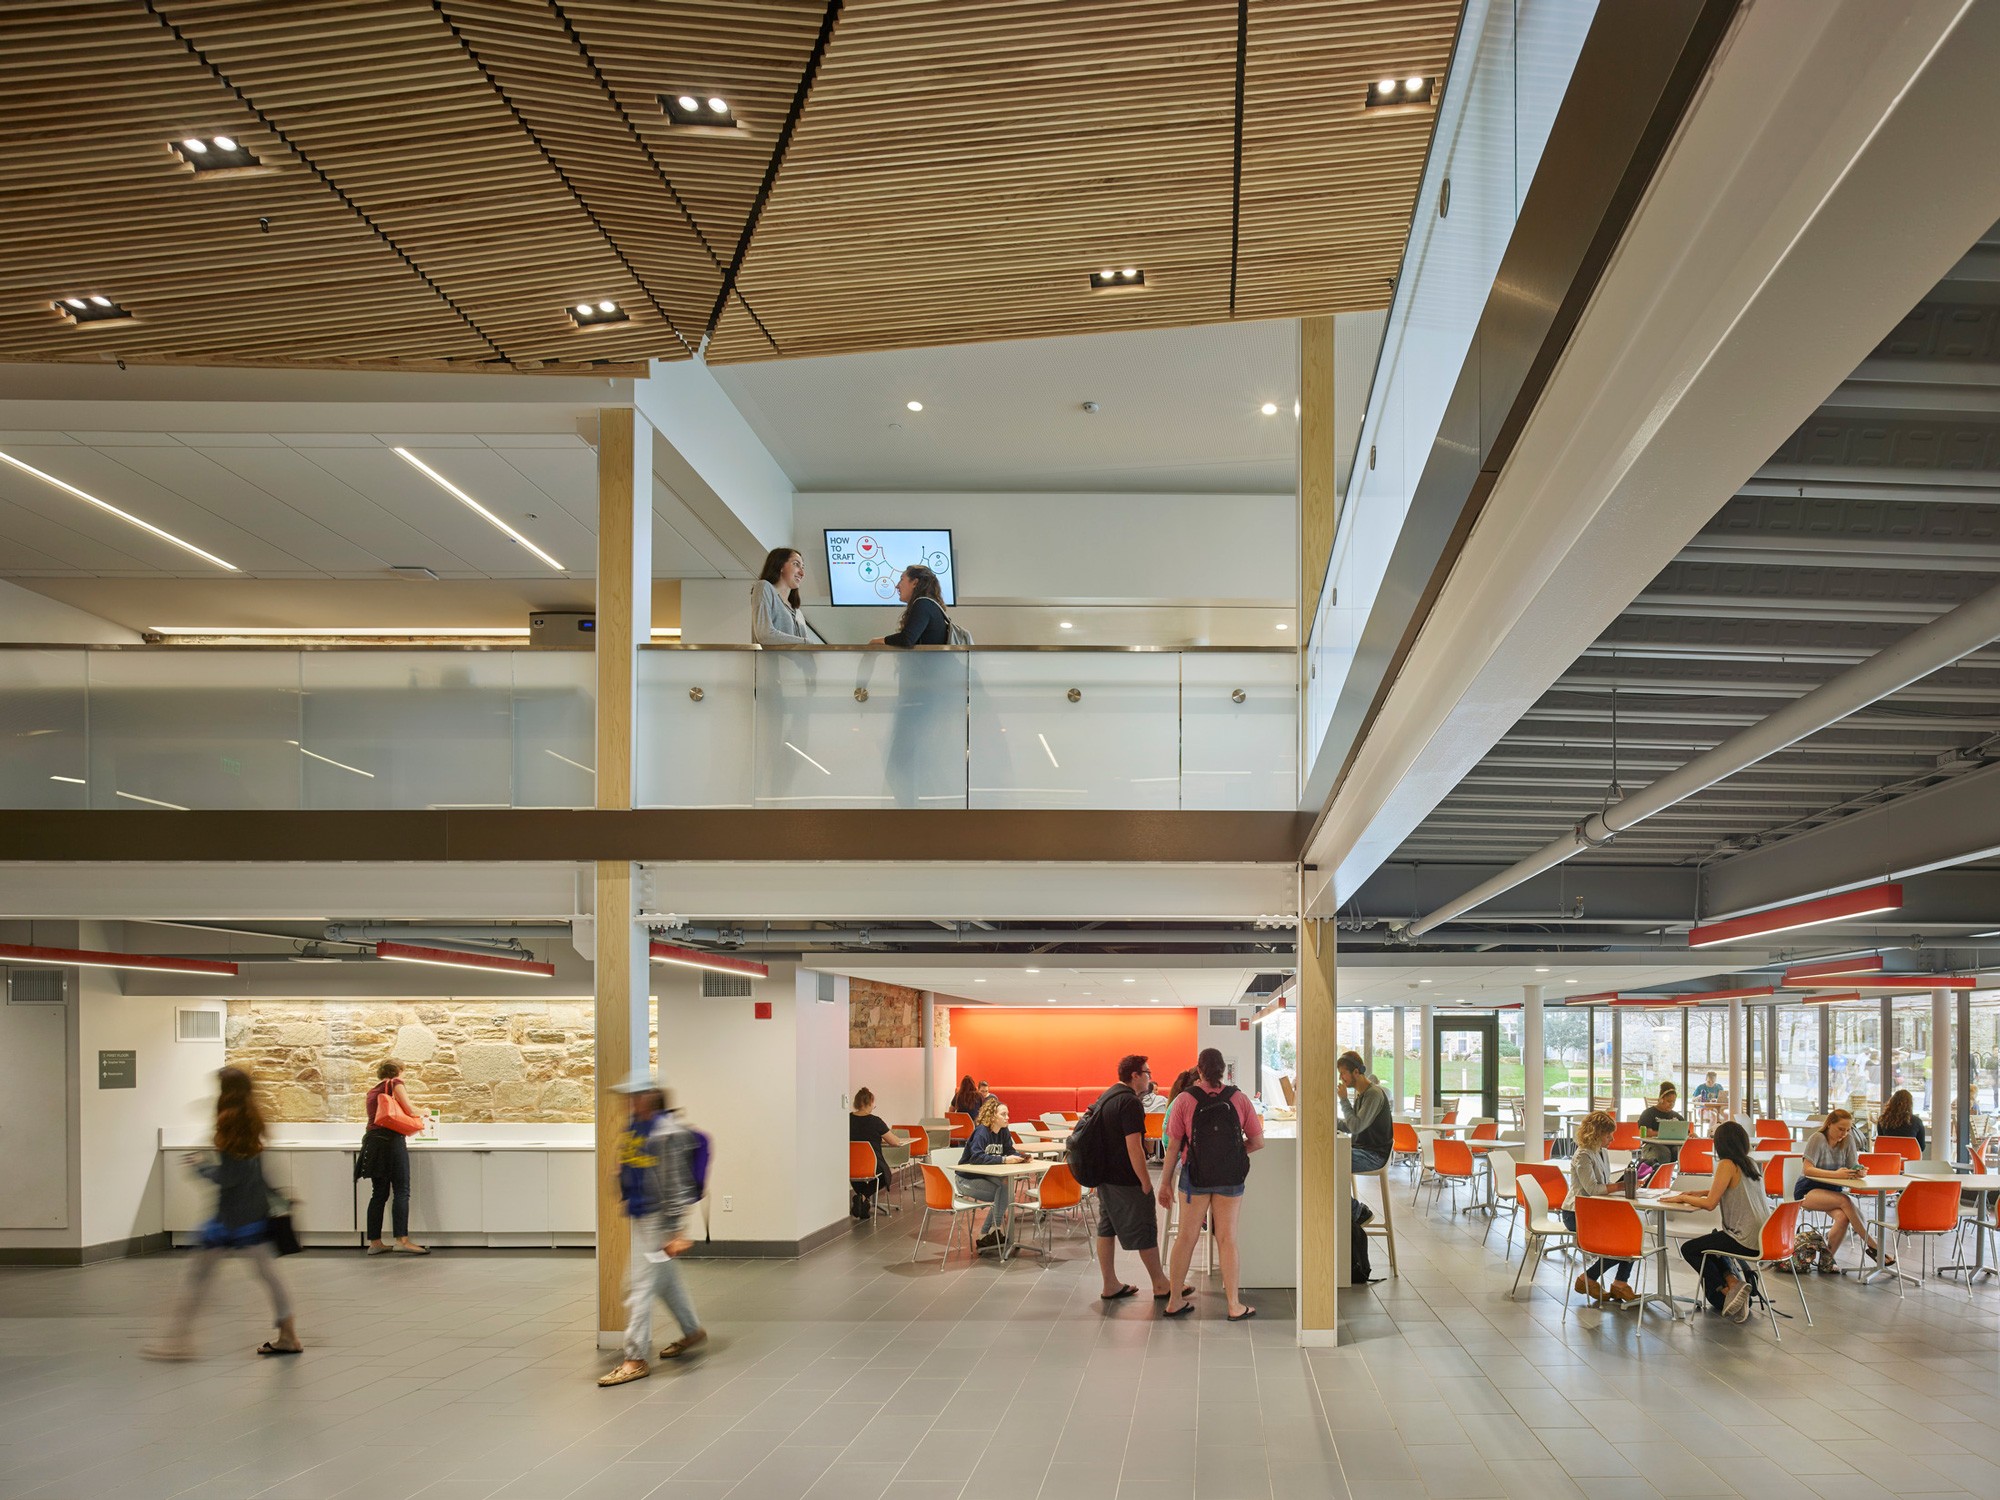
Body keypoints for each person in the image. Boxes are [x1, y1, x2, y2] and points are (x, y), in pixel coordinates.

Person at [145, 1067, 303, 1360]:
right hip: (253, 1213)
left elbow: (230, 1175)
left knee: (197, 1277)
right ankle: (288, 1334)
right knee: (269, 1276)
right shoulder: (253, 1118)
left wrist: (199, 1165)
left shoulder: (230, 1122)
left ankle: (177, 1341)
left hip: (230, 1218)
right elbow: (256, 1169)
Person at [598, 1082, 707, 1385]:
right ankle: (692, 1330)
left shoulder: (667, 1134)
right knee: (666, 1281)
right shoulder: (636, 1126)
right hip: (641, 1216)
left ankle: (635, 1359)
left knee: (640, 1287)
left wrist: (674, 1230)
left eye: (633, 1096)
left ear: (648, 1099)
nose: (628, 1101)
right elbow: (632, 1162)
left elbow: (677, 1184)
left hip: (658, 1221)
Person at [1159, 1047, 1264, 1320]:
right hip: (1230, 1179)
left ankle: (1174, 1302)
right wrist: (1232, 1154)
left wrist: (1164, 1183)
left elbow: (1172, 1148)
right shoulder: (1239, 1099)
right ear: (1224, 1071)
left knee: (1186, 1238)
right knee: (1227, 1238)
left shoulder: (1183, 1100)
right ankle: (1234, 1305)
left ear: (1200, 1069)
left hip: (1194, 1177)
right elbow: (1257, 1142)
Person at [1088, 1054, 1175, 1303]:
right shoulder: (1130, 1103)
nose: (1150, 1077)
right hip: (1125, 1179)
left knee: (1107, 1227)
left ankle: (1110, 1284)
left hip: (1105, 1177)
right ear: (1135, 1075)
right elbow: (1133, 1146)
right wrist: (1145, 1181)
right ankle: (1160, 1284)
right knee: (1144, 1225)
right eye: (1147, 1072)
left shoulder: (1108, 1096)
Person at [1664, 1121, 1770, 1323]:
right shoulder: (1749, 1163)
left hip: (1743, 1238)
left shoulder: (1726, 1164)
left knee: (1690, 1249)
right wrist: (1698, 1192)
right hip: (1763, 1237)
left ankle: (1724, 1293)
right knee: (1713, 1240)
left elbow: (1711, 1203)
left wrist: (1683, 1198)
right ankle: (1732, 1282)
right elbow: (1730, 1189)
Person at [1796, 1107, 1891, 1271]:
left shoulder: (1848, 1140)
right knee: (1845, 1200)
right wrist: (1836, 1174)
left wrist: (1858, 1171)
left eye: (1847, 1130)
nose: (1844, 1134)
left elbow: (1852, 1165)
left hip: (1833, 1190)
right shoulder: (1817, 1138)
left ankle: (1827, 1261)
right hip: (1808, 1189)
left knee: (1843, 1217)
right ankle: (1874, 1247)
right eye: (1840, 1129)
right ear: (1829, 1124)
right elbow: (1808, 1170)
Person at [1566, 1111, 1639, 1307]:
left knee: (1631, 1235)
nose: (1612, 1139)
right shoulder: (1582, 1155)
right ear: (1597, 1134)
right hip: (1577, 1213)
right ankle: (1595, 1280)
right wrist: (1623, 1186)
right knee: (1623, 1241)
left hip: (1595, 1210)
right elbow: (1592, 1189)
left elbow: (1604, 1185)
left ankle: (1616, 1282)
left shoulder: (1602, 1152)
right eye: (1608, 1135)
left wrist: (1623, 1184)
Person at [361, 1061, 428, 1255]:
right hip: (391, 1141)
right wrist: (424, 1111)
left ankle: (375, 1242)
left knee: (379, 1193)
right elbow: (409, 1110)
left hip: (372, 1142)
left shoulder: (373, 1091)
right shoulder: (395, 1082)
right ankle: (402, 1240)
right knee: (401, 1190)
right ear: (398, 1071)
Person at [955, 1096, 1028, 1251]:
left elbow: (1009, 1151)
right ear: (992, 1116)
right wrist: (1003, 1160)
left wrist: (1022, 1157)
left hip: (985, 1176)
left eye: (1008, 1114)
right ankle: (990, 1232)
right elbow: (976, 1157)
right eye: (1003, 1114)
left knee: (1006, 1191)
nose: (1007, 1117)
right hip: (966, 1179)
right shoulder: (982, 1132)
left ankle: (988, 1233)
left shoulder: (1003, 1131)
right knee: (1004, 1194)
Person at [1336, 1050, 1391, 1237]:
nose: (1341, 1078)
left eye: (1343, 1073)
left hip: (1374, 1156)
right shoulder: (1361, 1095)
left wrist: (1343, 1100)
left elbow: (1355, 1126)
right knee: (1328, 1161)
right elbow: (1350, 1124)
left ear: (1356, 1072)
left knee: (1329, 1162)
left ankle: (1359, 1211)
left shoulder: (1374, 1094)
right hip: (1361, 1150)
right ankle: (1348, 1211)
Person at [848, 1088, 909, 1220]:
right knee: (885, 1174)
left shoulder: (847, 1119)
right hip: (873, 1165)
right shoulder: (875, 1121)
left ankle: (862, 1203)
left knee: (857, 1176)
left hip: (850, 1165)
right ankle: (863, 1197)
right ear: (869, 1103)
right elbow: (894, 1142)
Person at [868, 563, 951, 647]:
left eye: (901, 579)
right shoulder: (929, 605)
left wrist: (878, 641)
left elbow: (907, 639)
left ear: (915, 583)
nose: (897, 586)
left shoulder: (923, 603)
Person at [750, 547, 817, 645]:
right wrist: (806, 643)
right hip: (770, 660)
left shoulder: (797, 611)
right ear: (780, 565)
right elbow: (764, 635)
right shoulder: (764, 587)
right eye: (796, 564)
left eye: (802, 567)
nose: (802, 573)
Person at [1636, 1082, 1685, 1168]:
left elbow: (1685, 1132)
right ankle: (1657, 1176)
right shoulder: (1649, 1113)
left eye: (1673, 1102)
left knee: (1682, 1151)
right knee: (1663, 1153)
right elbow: (1647, 1132)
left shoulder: (1677, 1116)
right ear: (1661, 1099)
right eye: (1668, 1101)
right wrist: (1663, 1133)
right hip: (1652, 1146)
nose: (1671, 1104)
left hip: (1673, 1146)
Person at [1875, 1088, 1927, 1153]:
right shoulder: (1917, 1121)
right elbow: (1921, 1147)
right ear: (1910, 1104)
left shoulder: (1883, 1120)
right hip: (1910, 1159)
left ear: (1892, 1102)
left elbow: (1882, 1142)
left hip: (1889, 1158)